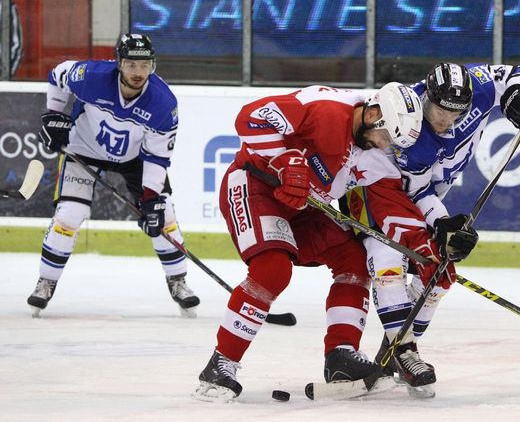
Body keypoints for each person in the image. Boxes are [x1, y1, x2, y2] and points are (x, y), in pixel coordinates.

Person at [192, 82, 461, 402]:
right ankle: (221, 363)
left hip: (305, 205)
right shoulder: (325, 108)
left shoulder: (377, 155)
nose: (384, 146)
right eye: (385, 136)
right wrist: (282, 159)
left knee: (354, 259)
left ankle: (341, 356)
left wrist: (422, 250)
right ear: (373, 114)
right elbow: (251, 118)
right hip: (256, 187)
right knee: (272, 270)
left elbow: (391, 205)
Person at [342, 62, 520, 398]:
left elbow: (513, 73)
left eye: (456, 113)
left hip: (418, 195)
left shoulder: (477, 89)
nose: (446, 121)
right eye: (439, 111)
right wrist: (442, 222)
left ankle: (395, 345)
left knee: (442, 271)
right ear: (426, 99)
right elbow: (415, 194)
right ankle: (405, 353)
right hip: (375, 192)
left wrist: (518, 98)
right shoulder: (410, 132)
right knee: (387, 258)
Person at [27, 33, 200, 318]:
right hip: (84, 148)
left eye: (144, 66)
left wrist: (150, 198)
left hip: (136, 158)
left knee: (163, 215)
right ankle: (46, 281)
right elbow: (57, 75)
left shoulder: (163, 103)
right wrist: (52, 115)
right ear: (119, 63)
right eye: (131, 65)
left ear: (152, 66)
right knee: (69, 214)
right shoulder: (91, 76)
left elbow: (158, 156)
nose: (138, 73)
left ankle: (178, 281)